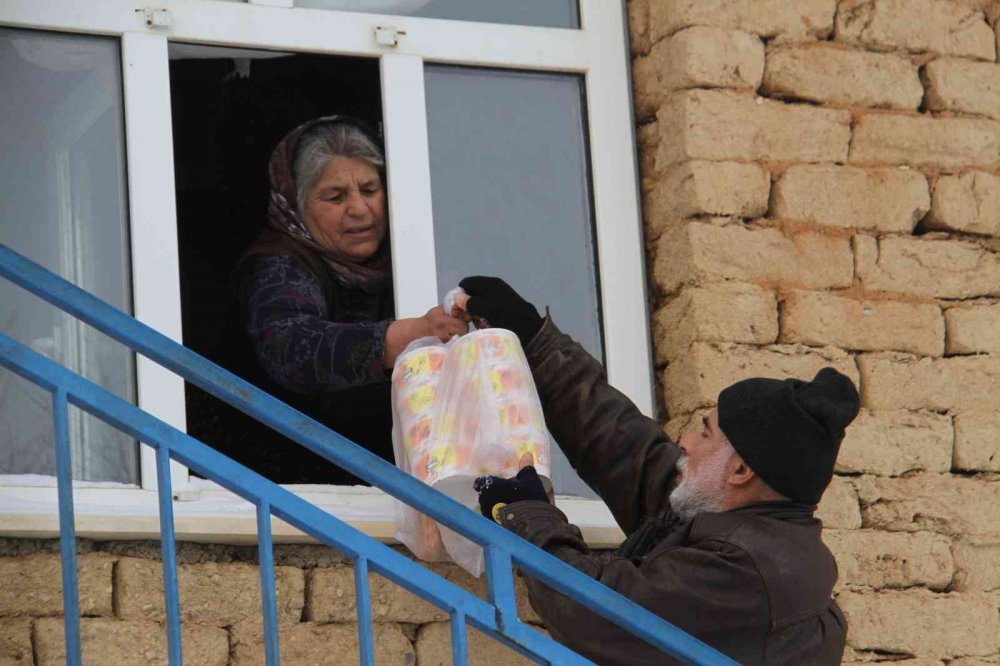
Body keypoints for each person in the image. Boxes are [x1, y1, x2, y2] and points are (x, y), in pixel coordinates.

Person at [461, 276, 859, 665]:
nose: (685, 441)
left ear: (740, 470)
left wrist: (528, 515)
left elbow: (597, 614)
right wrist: (534, 339)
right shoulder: (740, 524)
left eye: (705, 433)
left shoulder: (745, 572)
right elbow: (624, 449)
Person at [235, 117, 467, 483]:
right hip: (301, 486)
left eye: (370, 190)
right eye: (335, 197)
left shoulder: (411, 257)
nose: (359, 209)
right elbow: (292, 349)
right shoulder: (278, 264)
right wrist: (411, 334)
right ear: (296, 203)